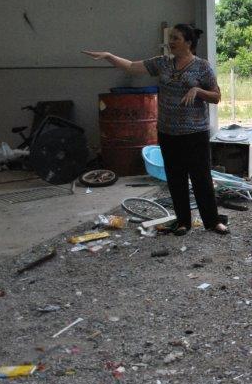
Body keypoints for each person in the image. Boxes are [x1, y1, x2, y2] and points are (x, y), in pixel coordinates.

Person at [83, 24, 229, 235]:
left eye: (176, 38)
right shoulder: (162, 63)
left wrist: (197, 90)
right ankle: (183, 222)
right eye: (171, 37)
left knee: (202, 178)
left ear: (188, 42)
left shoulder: (202, 66)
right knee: (175, 178)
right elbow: (131, 66)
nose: (171, 42)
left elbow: (216, 97)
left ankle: (213, 221)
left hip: (195, 133)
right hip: (168, 132)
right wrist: (109, 56)